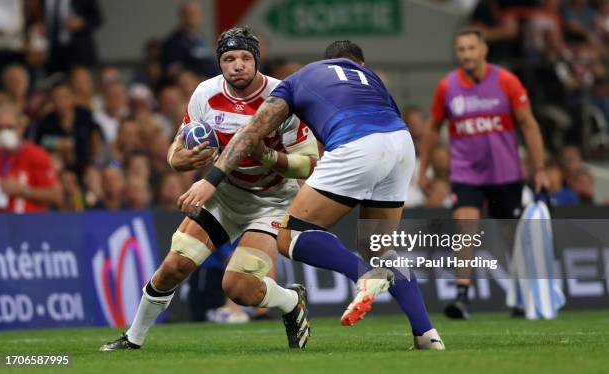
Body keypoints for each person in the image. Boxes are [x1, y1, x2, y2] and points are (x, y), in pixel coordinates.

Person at [178, 40, 445, 350]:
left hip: (356, 142)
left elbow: (250, 133)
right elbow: (389, 124)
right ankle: (426, 334)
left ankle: (363, 275)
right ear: (357, 63)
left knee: (290, 235)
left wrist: (211, 179)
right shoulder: (370, 78)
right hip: (401, 145)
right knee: (379, 247)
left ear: (328, 62)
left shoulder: (301, 78)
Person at [100, 27, 318, 352]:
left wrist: (268, 157)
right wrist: (182, 159)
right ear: (220, 63)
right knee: (173, 266)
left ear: (257, 60)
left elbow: (310, 163)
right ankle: (133, 339)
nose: (238, 65)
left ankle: (289, 300)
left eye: (245, 57)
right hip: (223, 197)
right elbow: (176, 151)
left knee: (239, 288)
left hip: (271, 202)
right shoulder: (205, 93)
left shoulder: (281, 96)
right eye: (229, 58)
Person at [418, 26, 549, 320]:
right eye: (461, 49)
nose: (466, 54)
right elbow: (431, 129)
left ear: (483, 49)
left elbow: (529, 125)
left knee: (511, 236)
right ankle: (462, 296)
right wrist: (423, 167)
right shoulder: (447, 87)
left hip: (506, 173)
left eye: (471, 48)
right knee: (466, 230)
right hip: (466, 173)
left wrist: (539, 168)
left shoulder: (506, 81)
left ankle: (520, 296)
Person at [0, 103, 61, 213]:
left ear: (21, 128)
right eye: (0, 128)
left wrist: (22, 190)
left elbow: (56, 195)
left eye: (10, 127)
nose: (4, 132)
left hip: (29, 223)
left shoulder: (35, 154)